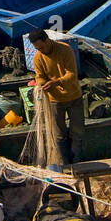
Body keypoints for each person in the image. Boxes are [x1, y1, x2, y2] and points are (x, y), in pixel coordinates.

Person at [29, 28, 83, 171]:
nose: (40, 50)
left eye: (41, 46)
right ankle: (65, 165)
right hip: (54, 101)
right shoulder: (38, 57)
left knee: (77, 132)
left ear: (47, 40)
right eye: (37, 48)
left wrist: (56, 82)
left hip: (74, 96)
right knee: (59, 135)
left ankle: (76, 163)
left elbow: (72, 74)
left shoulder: (65, 50)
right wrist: (41, 83)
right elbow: (39, 75)